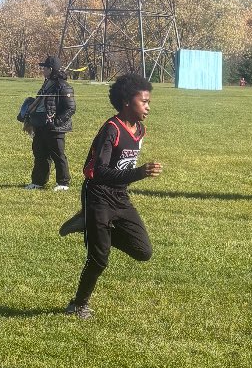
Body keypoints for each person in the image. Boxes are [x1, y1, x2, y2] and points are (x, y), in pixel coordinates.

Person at [61, 73, 162, 320]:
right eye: (144, 101)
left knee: (143, 251)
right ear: (127, 102)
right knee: (100, 257)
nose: (148, 107)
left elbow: (120, 170)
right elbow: (93, 171)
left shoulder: (139, 129)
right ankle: (78, 304)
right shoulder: (111, 129)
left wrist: (131, 176)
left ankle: (93, 227)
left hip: (120, 197)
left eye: (149, 102)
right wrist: (138, 173)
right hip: (98, 196)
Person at [23, 55, 75, 191]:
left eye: (44, 68)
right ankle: (38, 182)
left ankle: (63, 183)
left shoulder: (63, 86)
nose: (42, 70)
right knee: (40, 154)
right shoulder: (46, 83)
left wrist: (56, 122)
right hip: (41, 125)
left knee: (58, 155)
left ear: (51, 69)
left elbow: (71, 108)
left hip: (55, 128)